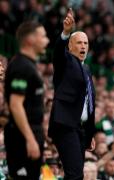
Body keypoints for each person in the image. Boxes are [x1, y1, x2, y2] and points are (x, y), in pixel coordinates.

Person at [48, 8, 96, 180]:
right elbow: (57, 53)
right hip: (65, 125)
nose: (83, 46)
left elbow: (89, 103)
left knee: (76, 175)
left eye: (86, 43)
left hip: (80, 129)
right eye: (79, 42)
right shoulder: (66, 62)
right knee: (75, 175)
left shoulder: (87, 69)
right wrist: (66, 33)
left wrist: (89, 133)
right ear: (70, 45)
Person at [4, 21, 49, 179]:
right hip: (21, 136)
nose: (47, 40)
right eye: (43, 36)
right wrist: (30, 139)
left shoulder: (29, 65)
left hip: (31, 132)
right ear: (30, 40)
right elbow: (16, 105)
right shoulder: (21, 66)